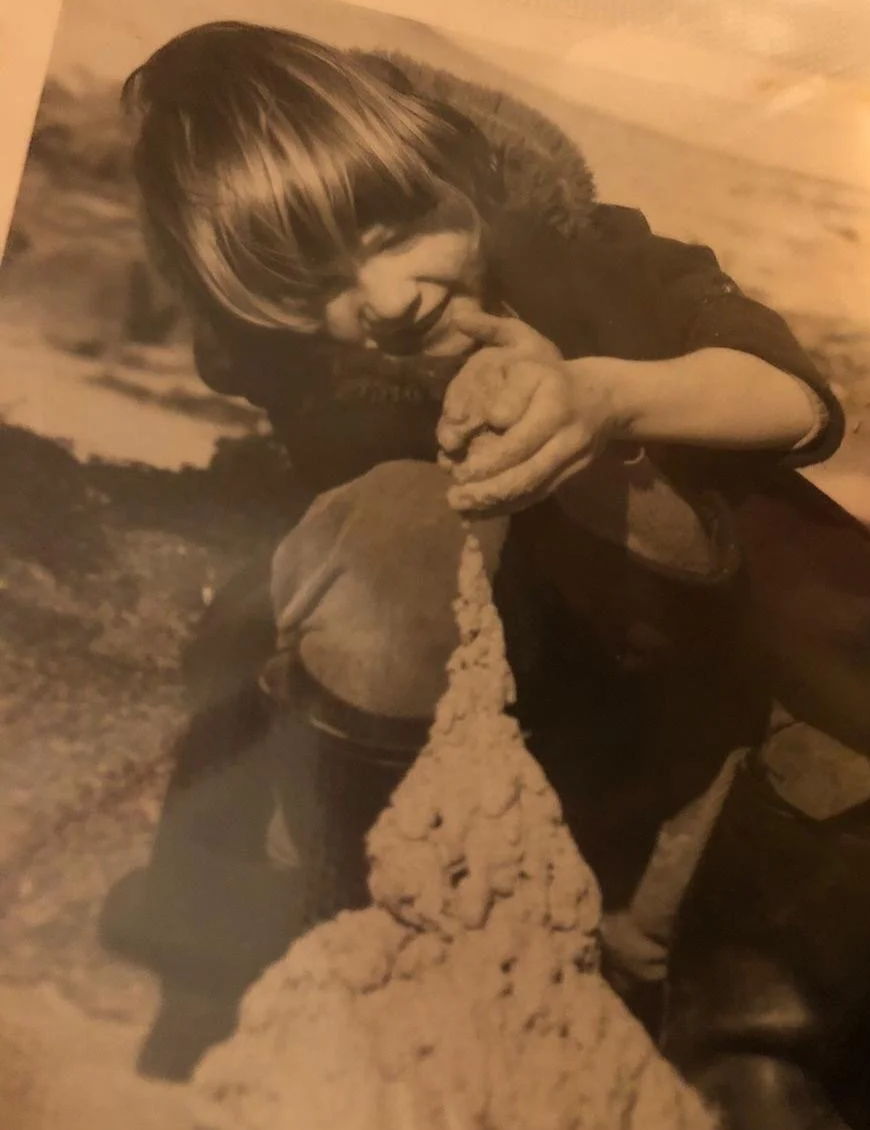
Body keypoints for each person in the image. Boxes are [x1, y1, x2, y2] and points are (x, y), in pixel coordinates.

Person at [99, 21, 870, 1126]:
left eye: (393, 225)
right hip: (538, 754)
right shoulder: (342, 382)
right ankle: (376, 954)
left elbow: (792, 400)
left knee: (754, 1033)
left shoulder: (587, 256)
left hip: (739, 707)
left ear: (452, 170)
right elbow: (390, 597)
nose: (387, 294)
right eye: (322, 281)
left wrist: (604, 398)